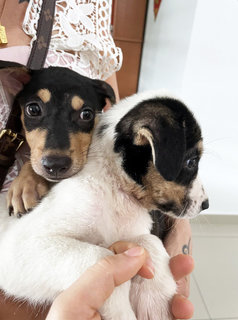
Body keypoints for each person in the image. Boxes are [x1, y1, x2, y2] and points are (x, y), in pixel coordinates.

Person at [0, 1, 194, 319]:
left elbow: (116, 127)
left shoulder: (82, 6)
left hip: (71, 220)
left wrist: (177, 214)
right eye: (34, 110)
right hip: (23, 245)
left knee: (149, 260)